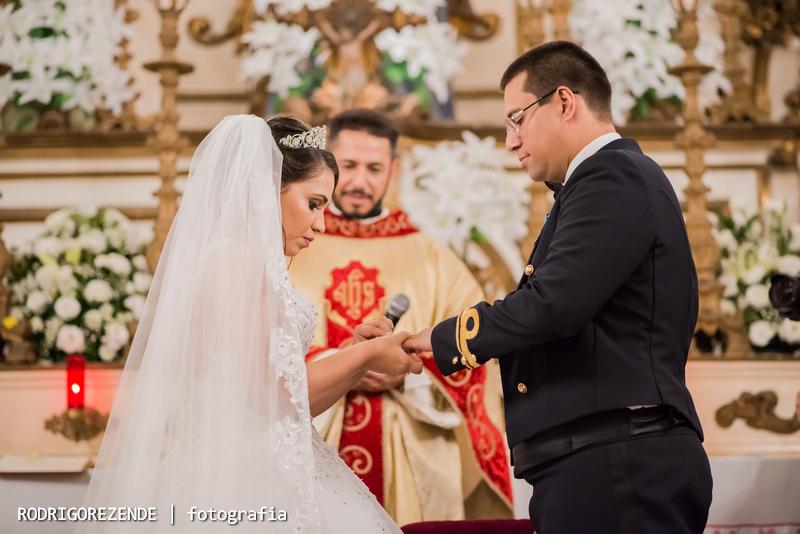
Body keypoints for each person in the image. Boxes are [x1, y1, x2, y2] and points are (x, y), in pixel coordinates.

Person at [404, 41, 713, 533]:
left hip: (618, 462)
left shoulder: (612, 176)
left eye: (516, 119)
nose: (510, 141)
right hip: (602, 459)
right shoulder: (599, 182)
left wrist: (438, 340)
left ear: (564, 101)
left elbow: (553, 306)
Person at [78, 114, 421, 533]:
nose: (321, 223)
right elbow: (277, 400)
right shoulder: (238, 262)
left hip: (275, 457)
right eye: (313, 204)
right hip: (246, 482)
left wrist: (351, 356)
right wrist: (367, 353)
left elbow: (291, 406)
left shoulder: (246, 261)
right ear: (267, 189)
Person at [290, 109, 513, 525]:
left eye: (374, 168)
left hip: (413, 446)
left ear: (393, 169)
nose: (359, 181)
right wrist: (348, 361)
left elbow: (479, 354)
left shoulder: (433, 257)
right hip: (311, 441)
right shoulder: (293, 244)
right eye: (349, 166)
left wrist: (409, 369)